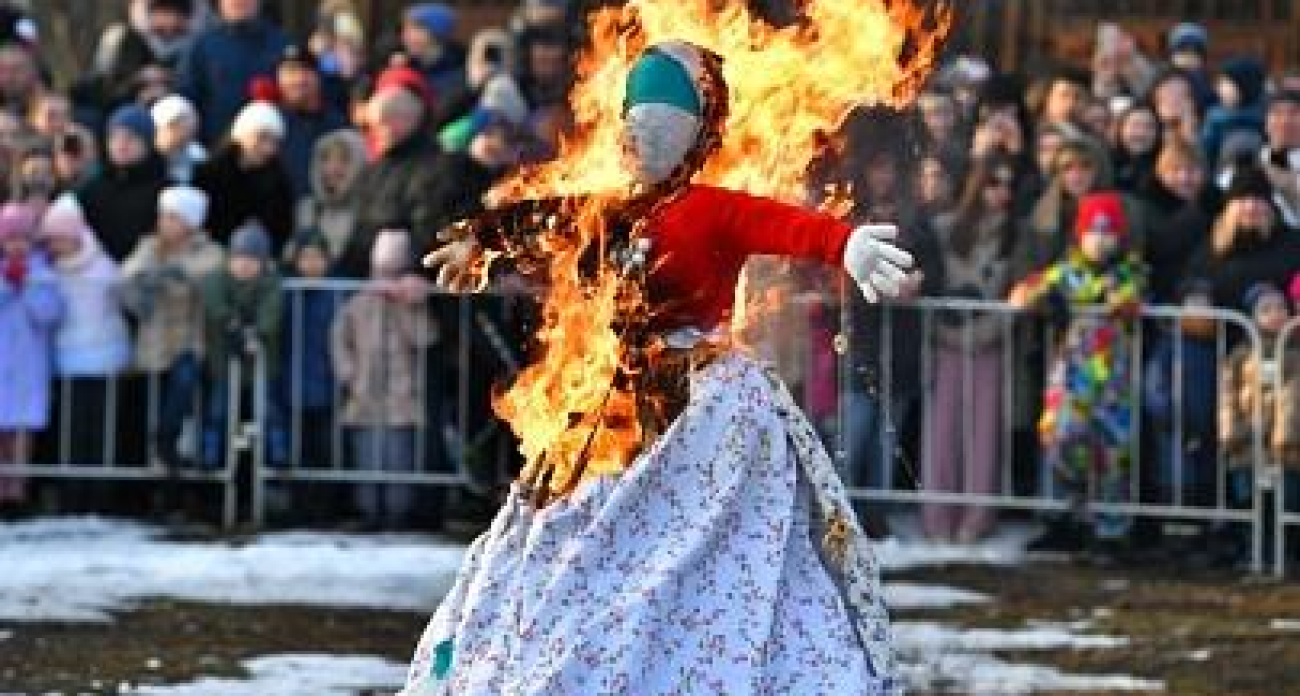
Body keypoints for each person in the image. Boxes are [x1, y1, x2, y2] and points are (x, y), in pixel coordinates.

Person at [411, 40, 908, 694]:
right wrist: (480, 241)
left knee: (707, 534)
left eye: (662, 125)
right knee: (583, 525)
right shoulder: (608, 210)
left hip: (705, 403)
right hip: (611, 399)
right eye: (632, 122)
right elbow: (541, 221)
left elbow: (781, 224)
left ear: (696, 138)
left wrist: (845, 244)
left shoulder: (712, 208)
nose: (640, 137)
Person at [1011, 191, 1146, 556]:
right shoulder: (1066, 272)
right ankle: (1063, 519)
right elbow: (1022, 294)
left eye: (1108, 232)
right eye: (1093, 231)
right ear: (1080, 234)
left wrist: (1115, 300)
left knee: (1112, 452)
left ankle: (1110, 530)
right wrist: (1043, 298)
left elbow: (1131, 298)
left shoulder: (1129, 272)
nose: (1100, 240)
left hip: (1114, 381)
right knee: (1060, 442)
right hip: (1071, 378)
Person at [922, 154, 1020, 544]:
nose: (1002, 192)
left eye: (1008, 184)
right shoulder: (945, 229)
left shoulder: (1014, 235)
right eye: (994, 183)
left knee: (984, 435)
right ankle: (937, 519)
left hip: (990, 342)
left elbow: (1016, 294)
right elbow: (930, 281)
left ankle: (976, 521)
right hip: (946, 341)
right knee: (942, 433)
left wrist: (991, 327)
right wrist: (942, 326)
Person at [331, 229, 433, 529]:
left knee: (399, 455)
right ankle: (368, 511)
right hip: (363, 392)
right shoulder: (357, 303)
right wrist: (348, 372)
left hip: (401, 394)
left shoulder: (411, 305)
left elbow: (426, 338)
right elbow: (339, 338)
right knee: (367, 454)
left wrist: (408, 307)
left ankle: (397, 513)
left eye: (394, 272)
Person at [120, 185, 223, 468]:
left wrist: (181, 273)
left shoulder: (208, 250)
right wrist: (145, 279)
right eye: (163, 216)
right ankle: (154, 468)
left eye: (173, 217)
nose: (164, 223)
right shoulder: (149, 247)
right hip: (154, 345)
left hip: (189, 343)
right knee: (149, 406)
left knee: (184, 389)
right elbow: (128, 272)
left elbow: (212, 272)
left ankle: (170, 444)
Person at [38, 197, 131, 466]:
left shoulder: (103, 267)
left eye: (61, 239)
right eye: (51, 240)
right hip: (67, 355)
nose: (56, 246)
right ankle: (73, 482)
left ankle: (99, 483)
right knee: (72, 426)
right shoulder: (46, 271)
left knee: (102, 425)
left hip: (103, 354)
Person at [339, 65, 440, 278]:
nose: (376, 132)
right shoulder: (374, 169)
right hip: (369, 276)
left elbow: (430, 228)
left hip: (408, 280)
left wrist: (418, 273)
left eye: (384, 123)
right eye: (374, 125)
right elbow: (360, 230)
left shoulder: (435, 166)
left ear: (408, 119)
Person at [199, 220, 282, 469]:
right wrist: (233, 326)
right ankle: (211, 455)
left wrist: (255, 334)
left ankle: (276, 455)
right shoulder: (217, 278)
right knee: (218, 411)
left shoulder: (271, 282)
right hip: (223, 362)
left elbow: (271, 313)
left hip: (261, 363)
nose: (244, 265)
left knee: (268, 411)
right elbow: (214, 303)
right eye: (239, 258)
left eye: (252, 259)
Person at [0, 203, 64, 510]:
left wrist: (25, 288)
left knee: (23, 431)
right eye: (11, 240)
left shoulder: (43, 275)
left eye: (23, 240)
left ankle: (18, 490)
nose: (17, 246)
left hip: (28, 365)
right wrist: (7, 286)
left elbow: (49, 315)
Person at [179, 0, 288, 144]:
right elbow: (187, 100)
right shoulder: (201, 46)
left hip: (269, 145)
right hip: (214, 147)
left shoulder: (281, 44)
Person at [194, 100, 295, 251]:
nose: (268, 148)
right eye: (262, 137)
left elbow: (282, 230)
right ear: (242, 134)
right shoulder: (209, 174)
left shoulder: (279, 182)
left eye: (274, 141)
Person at [76, 103, 170, 262]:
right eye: (114, 137)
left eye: (131, 138)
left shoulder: (165, 190)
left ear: (148, 144)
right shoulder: (92, 187)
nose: (121, 144)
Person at [273, 45, 349, 199]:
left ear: (318, 76)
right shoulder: (269, 121)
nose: (299, 79)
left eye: (306, 70)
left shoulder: (336, 123)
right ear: (278, 77)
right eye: (290, 71)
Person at [296, 128, 366, 265]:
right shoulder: (306, 208)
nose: (332, 168)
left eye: (343, 160)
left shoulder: (369, 210)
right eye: (326, 159)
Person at [151, 94, 207, 184]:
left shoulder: (198, 154)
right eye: (170, 126)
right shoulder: (146, 157)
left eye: (182, 122)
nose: (179, 131)